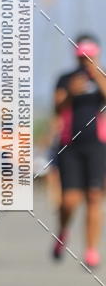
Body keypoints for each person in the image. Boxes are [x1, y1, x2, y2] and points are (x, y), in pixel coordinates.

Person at [52, 34, 106, 268]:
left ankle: (91, 249)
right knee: (69, 201)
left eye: (89, 56)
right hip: (70, 145)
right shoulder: (65, 79)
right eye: (82, 57)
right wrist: (72, 92)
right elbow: (57, 107)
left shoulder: (101, 76)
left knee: (94, 197)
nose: (85, 61)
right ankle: (63, 230)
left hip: (97, 146)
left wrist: (97, 76)